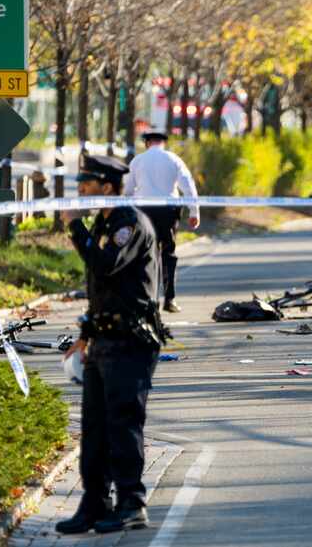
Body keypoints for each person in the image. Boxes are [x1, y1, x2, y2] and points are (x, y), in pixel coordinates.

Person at [57, 155, 166, 535]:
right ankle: (94, 503)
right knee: (95, 428)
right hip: (104, 338)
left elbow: (105, 265)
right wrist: (85, 335)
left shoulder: (129, 223)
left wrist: (75, 230)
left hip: (130, 340)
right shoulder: (105, 221)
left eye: (85, 182)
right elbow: (101, 289)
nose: (79, 189)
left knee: (123, 423)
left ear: (106, 186)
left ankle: (131, 503)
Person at [124, 129, 200, 313]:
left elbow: (127, 190)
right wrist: (194, 211)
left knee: (145, 254)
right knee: (168, 254)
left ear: (147, 143)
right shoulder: (173, 159)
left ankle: (149, 299)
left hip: (144, 212)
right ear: (163, 142)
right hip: (168, 211)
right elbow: (188, 186)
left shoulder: (138, 161)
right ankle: (170, 299)